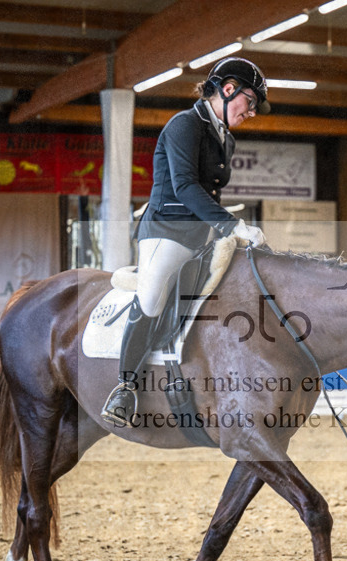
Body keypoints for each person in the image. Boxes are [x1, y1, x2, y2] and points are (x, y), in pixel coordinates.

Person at [101, 56, 269, 427]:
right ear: (227, 90)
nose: (252, 112)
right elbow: (186, 187)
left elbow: (211, 195)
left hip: (201, 236)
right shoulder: (184, 125)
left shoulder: (226, 139)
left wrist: (226, 234)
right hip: (166, 232)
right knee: (152, 295)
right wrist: (232, 226)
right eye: (250, 102)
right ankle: (125, 387)